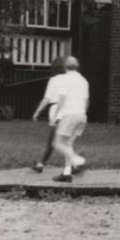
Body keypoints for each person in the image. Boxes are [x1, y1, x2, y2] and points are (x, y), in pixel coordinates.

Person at [49, 55, 89, 183]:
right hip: (81, 115)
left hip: (69, 114)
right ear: (78, 66)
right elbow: (86, 101)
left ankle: (79, 161)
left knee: (58, 143)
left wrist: (55, 115)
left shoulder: (65, 79)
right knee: (68, 145)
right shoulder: (83, 80)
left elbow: (62, 99)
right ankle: (67, 174)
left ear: (65, 67)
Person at [30, 56, 67, 174]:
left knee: (54, 140)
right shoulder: (71, 79)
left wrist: (37, 111)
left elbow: (47, 99)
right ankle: (42, 164)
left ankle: (42, 164)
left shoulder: (53, 80)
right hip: (70, 109)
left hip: (56, 109)